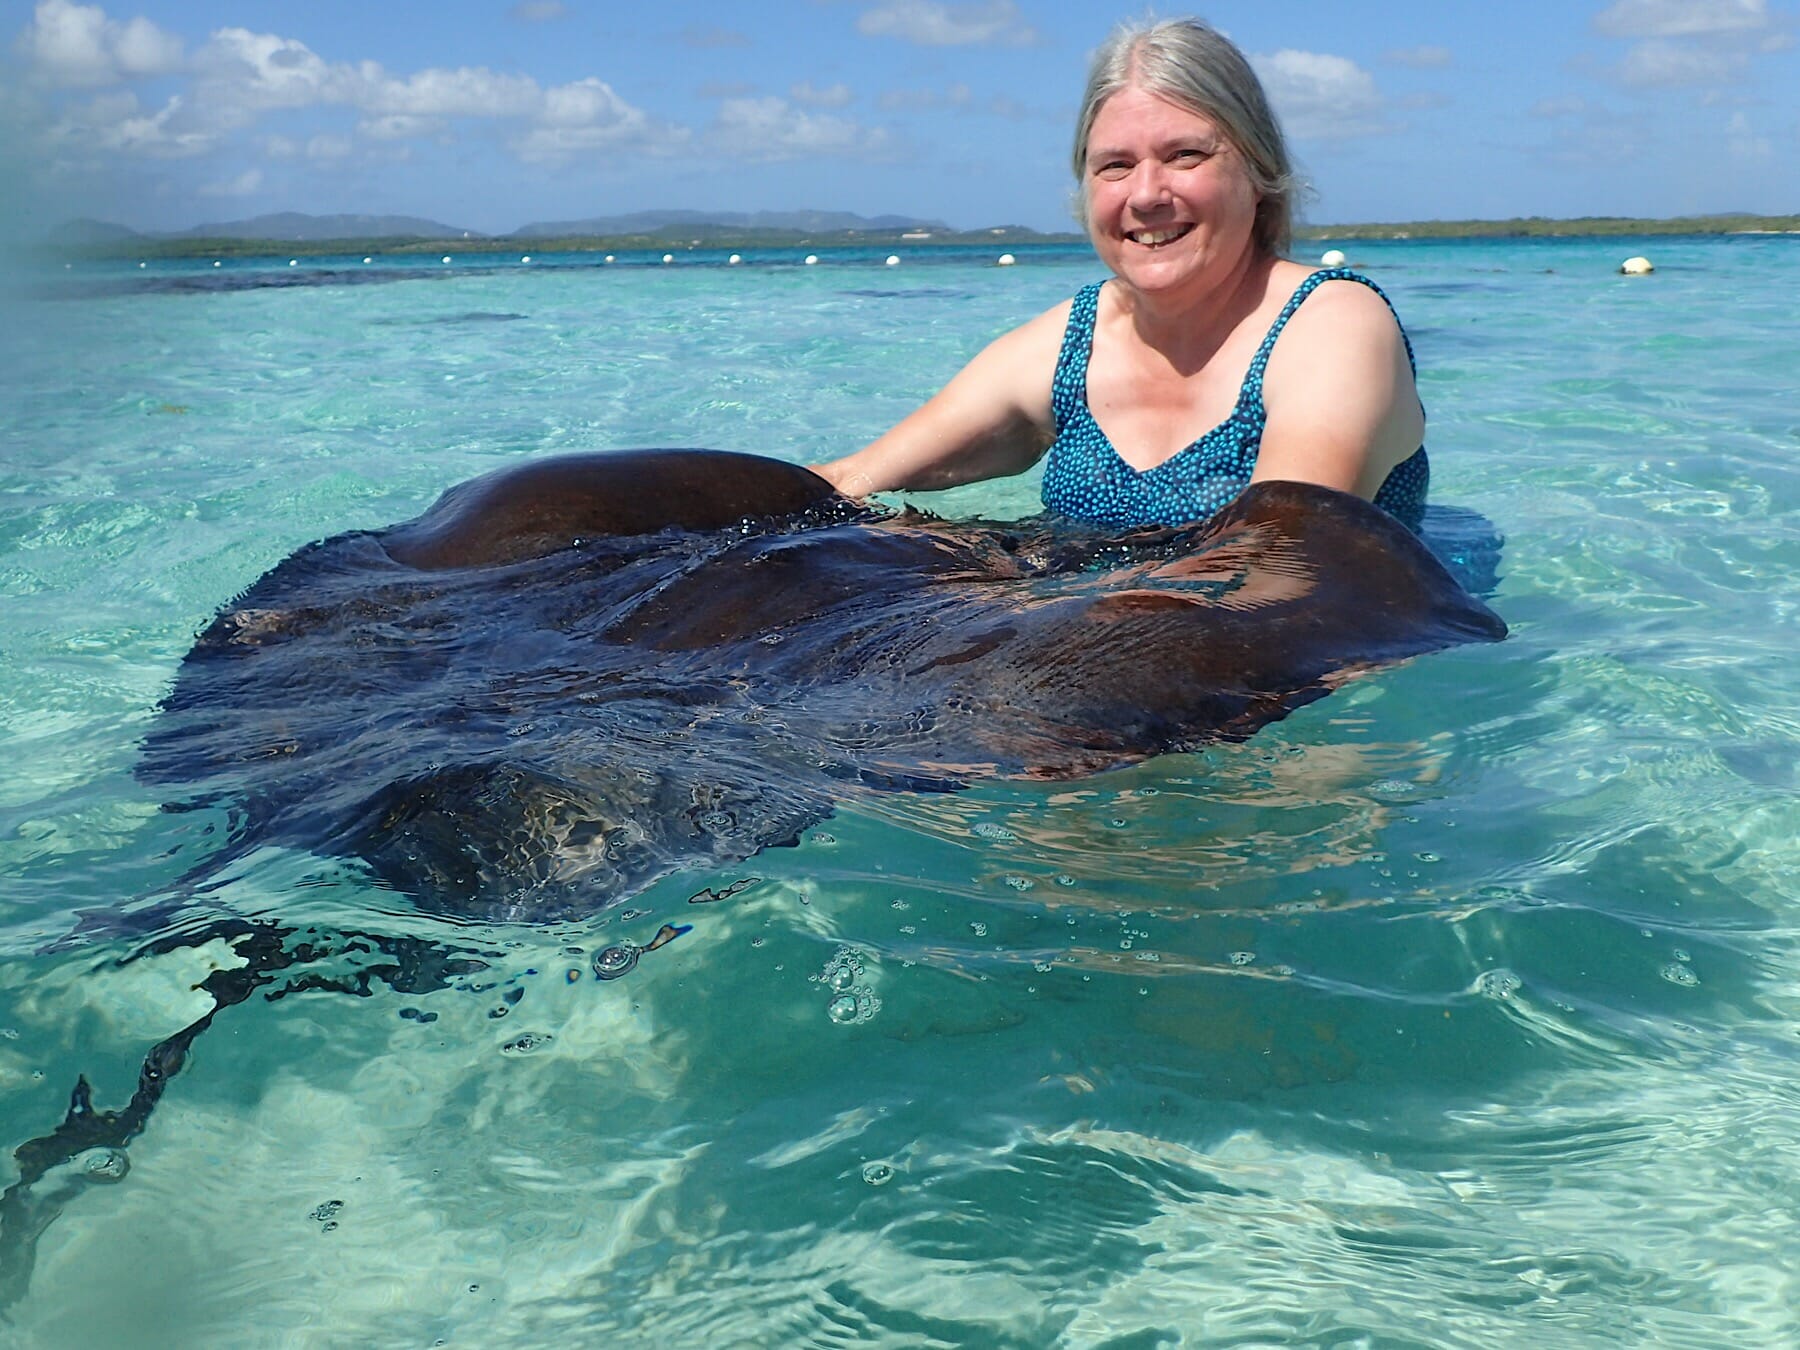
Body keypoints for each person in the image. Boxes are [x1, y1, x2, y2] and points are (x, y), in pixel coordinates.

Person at [814, 17, 1429, 531]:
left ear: (1258, 173)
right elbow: (846, 482)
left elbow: (1276, 561)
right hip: (1096, 622)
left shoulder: (1332, 325)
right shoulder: (1072, 344)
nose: (1146, 194)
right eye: (1114, 165)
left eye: (1185, 155)